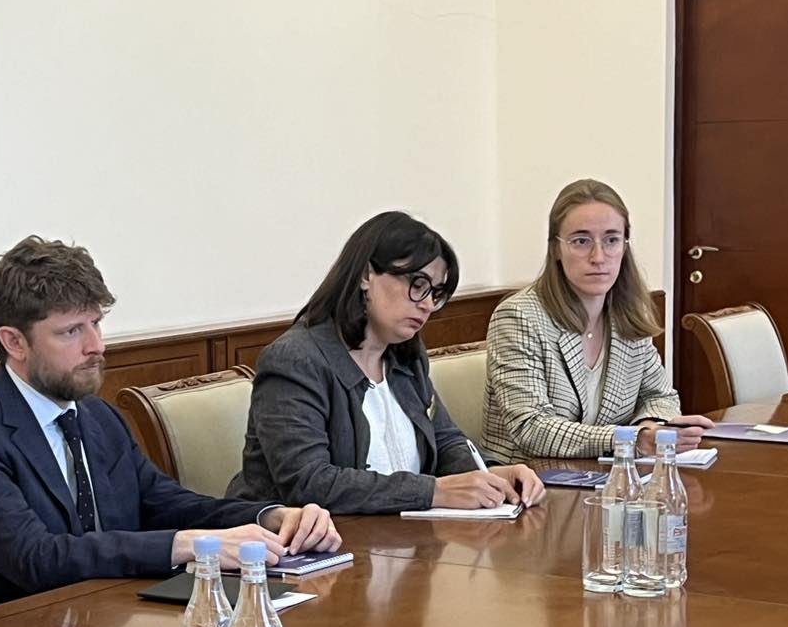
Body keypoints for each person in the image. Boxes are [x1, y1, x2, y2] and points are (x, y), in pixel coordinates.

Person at [0, 236, 342, 617]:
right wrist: (189, 544)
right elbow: (36, 558)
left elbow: (167, 503)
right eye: (72, 331)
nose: (96, 346)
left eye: (95, 323)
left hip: (104, 618)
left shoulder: (97, 417)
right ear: (14, 342)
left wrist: (271, 516)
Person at [226, 210, 545, 514]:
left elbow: (445, 440)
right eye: (417, 285)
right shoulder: (295, 360)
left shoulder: (405, 356)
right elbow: (309, 482)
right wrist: (433, 491)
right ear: (366, 275)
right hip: (303, 545)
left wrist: (491, 474)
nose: (427, 305)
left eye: (435, 293)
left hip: (399, 538)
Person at [482, 178, 712, 462]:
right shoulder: (519, 317)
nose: (599, 256)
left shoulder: (627, 313)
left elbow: (660, 396)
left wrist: (651, 426)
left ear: (624, 247)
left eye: (612, 240)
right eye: (581, 241)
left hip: (609, 474)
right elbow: (531, 428)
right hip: (528, 477)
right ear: (555, 249)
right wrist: (632, 440)